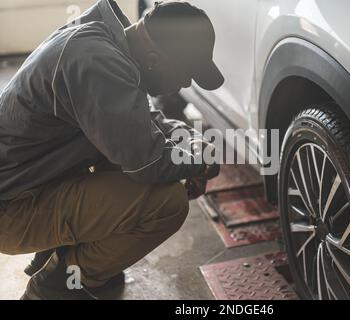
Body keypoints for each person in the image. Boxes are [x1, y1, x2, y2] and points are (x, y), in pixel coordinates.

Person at [0, 0, 223, 300]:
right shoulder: (98, 62)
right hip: (11, 208)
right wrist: (199, 161)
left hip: (23, 182)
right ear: (155, 58)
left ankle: (59, 253)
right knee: (166, 203)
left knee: (117, 154)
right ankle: (57, 286)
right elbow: (148, 161)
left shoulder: (106, 39)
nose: (185, 83)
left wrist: (186, 140)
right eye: (185, 72)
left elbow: (138, 120)